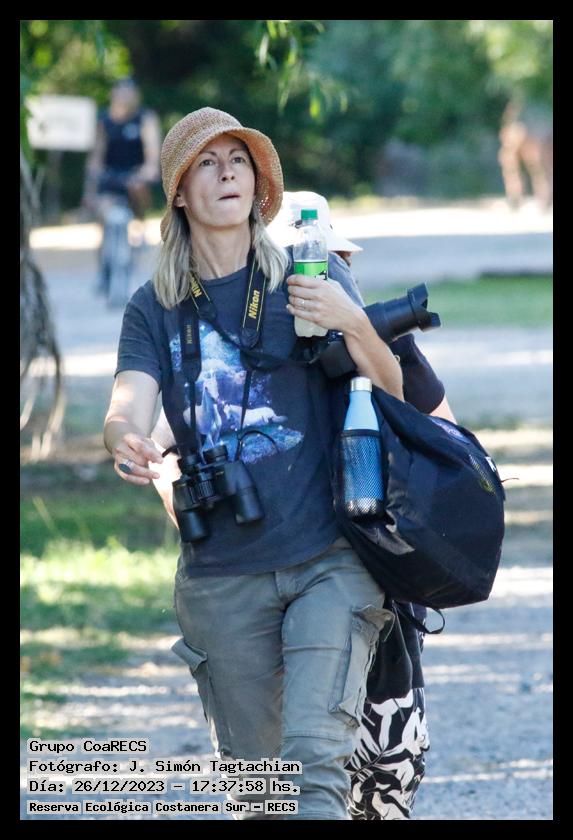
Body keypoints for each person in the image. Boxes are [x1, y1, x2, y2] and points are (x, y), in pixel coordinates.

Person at [104, 106, 425, 820]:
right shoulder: (154, 306)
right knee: (259, 791)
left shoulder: (310, 275)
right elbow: (129, 400)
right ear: (179, 193)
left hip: (329, 557)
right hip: (221, 573)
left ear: (258, 185)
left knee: (314, 758)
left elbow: (393, 392)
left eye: (238, 161)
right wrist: (124, 435)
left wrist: (349, 319)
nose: (226, 174)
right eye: (207, 163)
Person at [150, 189, 456, 819]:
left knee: (375, 765)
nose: (328, 276)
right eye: (312, 263)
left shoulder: (381, 340)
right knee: (271, 770)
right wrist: (190, 504)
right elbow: (162, 450)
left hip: (355, 568)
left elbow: (446, 439)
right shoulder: (229, 347)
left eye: (337, 262)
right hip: (254, 571)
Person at [82, 78, 162, 295]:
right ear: (113, 95)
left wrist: (148, 169)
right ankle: (103, 270)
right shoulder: (104, 120)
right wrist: (91, 186)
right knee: (103, 215)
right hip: (110, 176)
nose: (125, 97)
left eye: (129, 93)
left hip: (134, 175)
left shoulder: (144, 118)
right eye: (121, 93)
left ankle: (141, 227)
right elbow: (96, 156)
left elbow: (151, 151)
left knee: (139, 188)